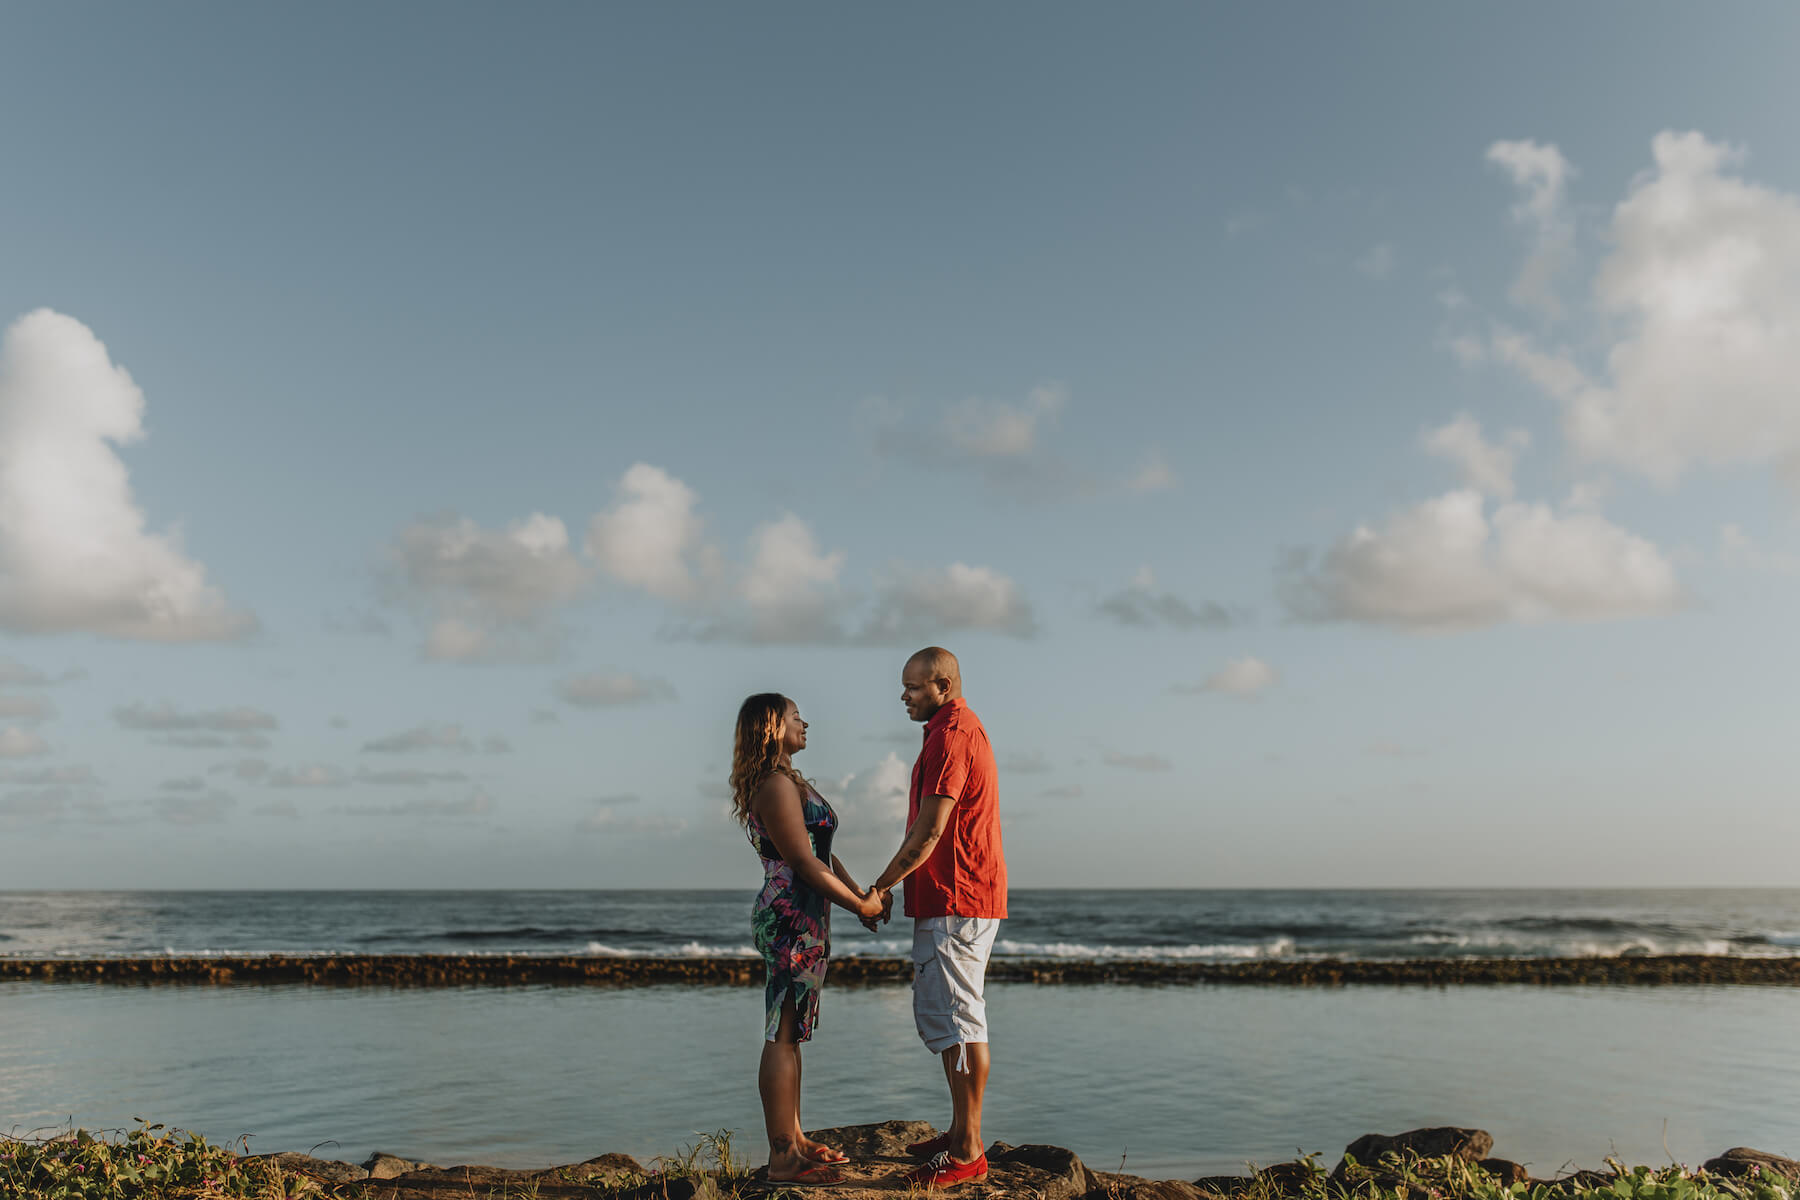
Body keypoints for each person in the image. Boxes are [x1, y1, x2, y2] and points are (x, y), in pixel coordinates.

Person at [865, 647, 1008, 1190]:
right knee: (949, 1015)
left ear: (943, 686)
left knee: (961, 1018)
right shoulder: (947, 732)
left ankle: (967, 1152)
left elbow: (929, 831)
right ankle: (959, 1133)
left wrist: (881, 887)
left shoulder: (952, 735)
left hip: (959, 897)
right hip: (950, 895)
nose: (903, 696)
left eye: (913, 687)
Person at [731, 692, 886, 1185]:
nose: (805, 723)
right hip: (789, 917)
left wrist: (858, 895)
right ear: (772, 727)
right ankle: (783, 1158)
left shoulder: (790, 782)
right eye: (796, 717)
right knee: (782, 1031)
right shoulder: (775, 785)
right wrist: (859, 905)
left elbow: (822, 851)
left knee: (792, 1030)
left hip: (807, 915)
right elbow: (801, 860)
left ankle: (795, 1139)